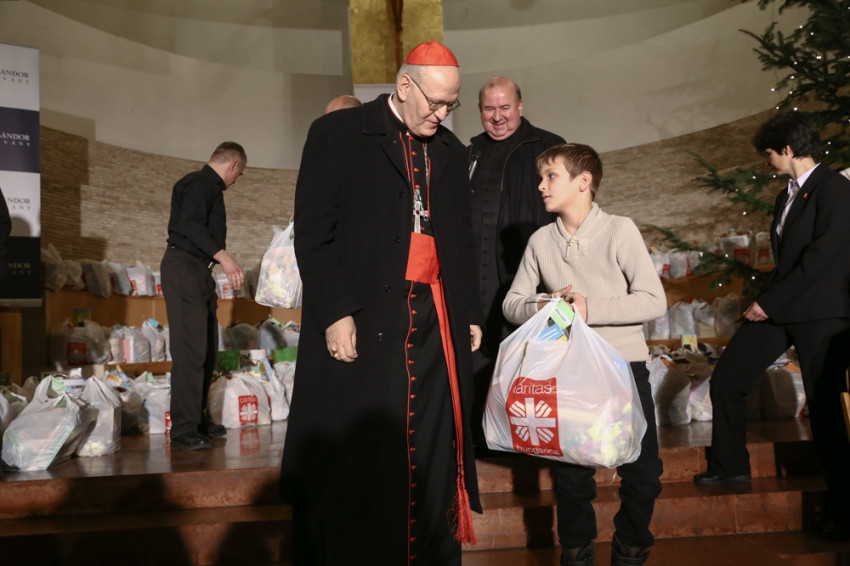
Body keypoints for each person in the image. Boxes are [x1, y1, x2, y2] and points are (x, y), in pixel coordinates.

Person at [279, 41, 483, 566]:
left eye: (452, 104)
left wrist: (469, 311)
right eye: (435, 102)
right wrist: (335, 312)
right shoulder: (338, 134)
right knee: (364, 455)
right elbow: (315, 236)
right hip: (365, 321)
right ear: (404, 85)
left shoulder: (451, 151)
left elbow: (461, 241)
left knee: (432, 447)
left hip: (433, 327)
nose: (443, 114)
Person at [503, 143, 666, 566]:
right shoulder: (541, 241)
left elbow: (654, 301)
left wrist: (591, 309)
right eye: (541, 178)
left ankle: (631, 550)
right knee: (573, 478)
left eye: (551, 176)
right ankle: (576, 555)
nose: (541, 186)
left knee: (643, 473)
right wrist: (543, 304)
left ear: (583, 181)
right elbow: (511, 304)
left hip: (624, 369)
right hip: (570, 373)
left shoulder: (619, 230)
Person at [693, 112, 850, 540]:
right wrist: (762, 301)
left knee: (825, 410)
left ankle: (843, 512)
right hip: (783, 307)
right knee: (728, 378)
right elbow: (787, 264)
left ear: (788, 149)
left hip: (822, 313)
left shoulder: (836, 189)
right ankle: (730, 466)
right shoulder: (785, 196)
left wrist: (770, 302)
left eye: (769, 153)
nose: (766, 162)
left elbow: (823, 260)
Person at [468, 76, 565, 450]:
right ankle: (482, 441)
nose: (497, 117)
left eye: (505, 107)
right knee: (479, 359)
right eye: (489, 109)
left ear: (520, 107)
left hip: (529, 280)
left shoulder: (549, 148)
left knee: (528, 363)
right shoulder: (469, 154)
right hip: (478, 281)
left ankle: (527, 445)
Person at [160, 142, 247, 451]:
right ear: (234, 166)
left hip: (198, 272)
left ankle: (197, 420)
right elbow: (190, 226)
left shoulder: (208, 187)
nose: (236, 181)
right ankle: (183, 429)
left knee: (206, 350)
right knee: (190, 352)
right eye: (239, 174)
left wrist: (208, 284)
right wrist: (226, 259)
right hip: (184, 267)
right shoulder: (199, 182)